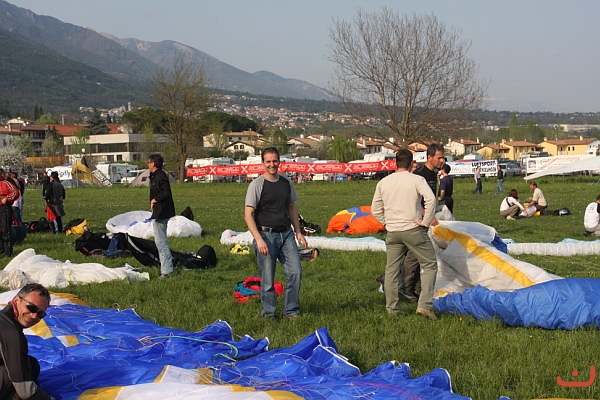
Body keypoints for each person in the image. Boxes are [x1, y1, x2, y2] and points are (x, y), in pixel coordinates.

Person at [371, 148, 438, 320]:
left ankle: (392, 309)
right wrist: (426, 221)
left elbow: (375, 209)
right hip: (413, 229)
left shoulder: (383, 182)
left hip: (393, 232)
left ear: (395, 163)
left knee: (391, 270)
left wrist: (386, 223)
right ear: (411, 163)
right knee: (429, 264)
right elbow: (431, 200)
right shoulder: (417, 180)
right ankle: (425, 306)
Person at [244, 147, 308, 320]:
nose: (272, 165)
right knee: (267, 279)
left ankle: (291, 311)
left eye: (275, 161)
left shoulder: (286, 182)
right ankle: (269, 314)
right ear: (263, 163)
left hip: (286, 234)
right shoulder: (257, 184)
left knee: (295, 272)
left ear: (279, 162)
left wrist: (298, 232)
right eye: (268, 161)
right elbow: (248, 214)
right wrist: (259, 239)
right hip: (266, 236)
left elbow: (292, 207)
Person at [400, 143, 445, 303]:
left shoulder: (433, 174)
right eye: (439, 157)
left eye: (443, 157)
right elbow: (415, 201)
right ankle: (405, 288)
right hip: (418, 221)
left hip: (427, 221)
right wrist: (428, 216)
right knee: (413, 257)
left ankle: (417, 288)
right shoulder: (420, 175)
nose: (442, 160)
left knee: (422, 257)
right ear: (429, 157)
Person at [0, 283, 55, 400]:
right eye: (31, 307)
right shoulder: (11, 333)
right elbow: (26, 390)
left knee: (31, 364)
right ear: (16, 300)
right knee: (21, 373)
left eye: (40, 313)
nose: (34, 315)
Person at [148, 154, 176, 278]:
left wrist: (155, 200)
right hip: (158, 211)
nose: (147, 164)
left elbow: (166, 192)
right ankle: (166, 268)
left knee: (161, 242)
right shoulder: (155, 175)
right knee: (160, 241)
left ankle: (167, 271)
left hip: (162, 212)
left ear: (153, 163)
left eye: (149, 162)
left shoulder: (160, 176)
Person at [0, 170, 16, 256]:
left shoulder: (6, 183)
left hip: (4, 208)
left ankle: (8, 251)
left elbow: (15, 192)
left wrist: (7, 198)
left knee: (5, 229)